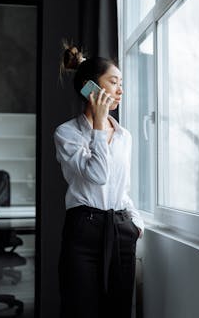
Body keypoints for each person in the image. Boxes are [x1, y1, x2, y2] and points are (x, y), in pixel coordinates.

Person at [54, 42, 144, 318]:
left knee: (118, 310)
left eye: (121, 83)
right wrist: (98, 126)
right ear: (90, 88)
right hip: (83, 229)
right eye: (113, 82)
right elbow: (98, 176)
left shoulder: (124, 136)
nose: (121, 89)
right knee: (81, 309)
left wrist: (135, 221)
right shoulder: (66, 133)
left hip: (119, 229)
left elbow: (121, 187)